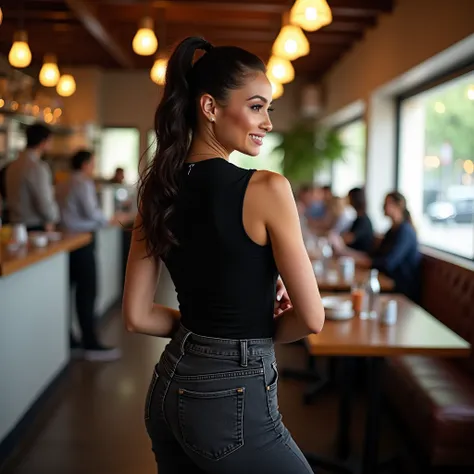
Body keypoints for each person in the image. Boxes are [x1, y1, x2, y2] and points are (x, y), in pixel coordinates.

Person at [122, 37, 325, 473]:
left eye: (268, 108)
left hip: (168, 389)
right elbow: (311, 319)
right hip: (229, 394)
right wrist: (244, 327)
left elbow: (137, 316)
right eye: (256, 106)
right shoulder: (268, 188)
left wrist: (208, 329)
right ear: (210, 107)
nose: (268, 122)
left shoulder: (157, 192)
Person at [57, 149, 124, 361]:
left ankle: (72, 339)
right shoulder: (82, 183)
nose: (93, 166)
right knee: (87, 293)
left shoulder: (62, 183)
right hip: (83, 241)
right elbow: (91, 213)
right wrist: (107, 220)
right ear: (85, 164)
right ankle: (91, 344)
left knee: (70, 292)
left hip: (65, 242)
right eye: (93, 163)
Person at [332, 191, 421, 301]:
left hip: (401, 289)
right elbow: (374, 255)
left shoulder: (405, 231)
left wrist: (353, 257)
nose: (382, 207)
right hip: (385, 283)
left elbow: (387, 263)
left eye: (386, 203)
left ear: (397, 206)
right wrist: (349, 254)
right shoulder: (392, 230)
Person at [5, 122, 59, 231]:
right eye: (50, 140)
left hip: (13, 224)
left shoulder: (12, 165)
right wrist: (53, 218)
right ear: (43, 142)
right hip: (34, 226)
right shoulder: (37, 167)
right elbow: (44, 202)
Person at [340, 187, 374, 253]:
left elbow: (348, 239)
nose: (347, 199)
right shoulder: (358, 218)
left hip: (359, 255)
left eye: (349, 197)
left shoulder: (363, 221)